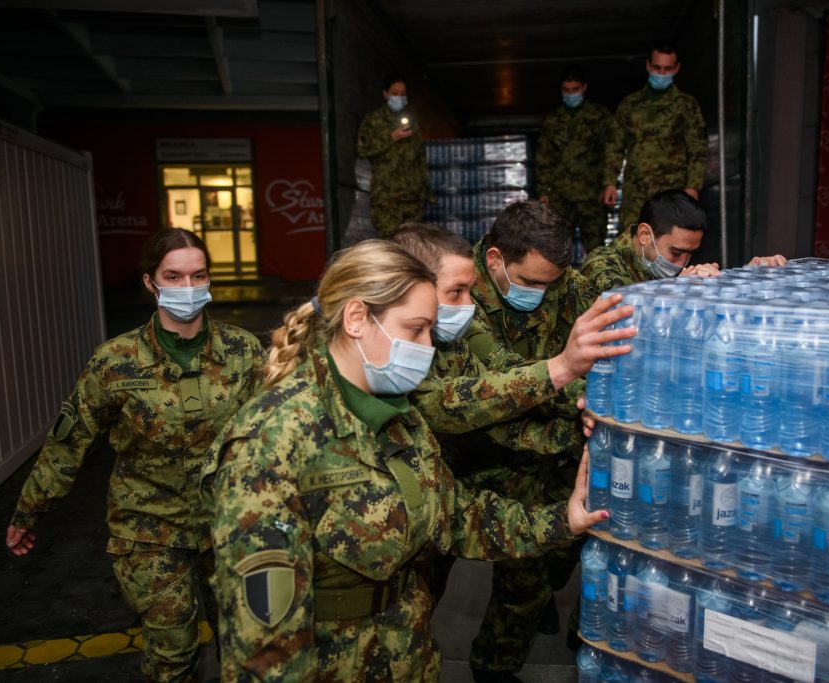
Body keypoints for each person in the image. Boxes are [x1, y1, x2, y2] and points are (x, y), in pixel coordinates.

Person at [204, 240, 608, 682]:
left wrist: (562, 520)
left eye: (429, 331)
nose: (427, 347)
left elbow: (456, 517)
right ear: (356, 319)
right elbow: (265, 653)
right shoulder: (271, 442)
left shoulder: (397, 416)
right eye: (416, 330)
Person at [6, 228, 265, 682]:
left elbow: (275, 434)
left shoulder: (244, 351)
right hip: (149, 528)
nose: (188, 287)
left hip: (229, 521)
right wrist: (29, 511)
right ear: (150, 282)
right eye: (174, 276)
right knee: (173, 654)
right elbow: (69, 442)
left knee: (247, 645)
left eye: (198, 275)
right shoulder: (115, 361)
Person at [391, 223, 633, 606]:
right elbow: (443, 404)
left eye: (469, 291)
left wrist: (579, 421)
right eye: (456, 292)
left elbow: (496, 409)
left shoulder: (446, 338)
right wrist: (561, 368)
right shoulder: (312, 408)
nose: (469, 305)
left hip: (445, 493)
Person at [466, 201, 595, 682]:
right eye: (531, 282)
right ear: (496, 259)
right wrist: (578, 398)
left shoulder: (558, 279)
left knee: (556, 555)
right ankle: (492, 668)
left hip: (547, 442)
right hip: (480, 449)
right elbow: (499, 374)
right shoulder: (458, 292)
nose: (541, 294)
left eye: (550, 283)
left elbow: (611, 307)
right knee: (520, 580)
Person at [581, 189, 788, 295]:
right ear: (644, 234)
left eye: (690, 254)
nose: (682, 263)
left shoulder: (664, 260)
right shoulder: (600, 266)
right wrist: (677, 289)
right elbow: (626, 313)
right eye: (676, 253)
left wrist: (747, 277)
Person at [600, 44, 708, 232]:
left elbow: (697, 149)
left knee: (671, 241)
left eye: (667, 69)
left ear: (676, 69)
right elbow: (614, 146)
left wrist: (693, 187)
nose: (662, 73)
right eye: (657, 68)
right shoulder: (630, 105)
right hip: (636, 193)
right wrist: (609, 182)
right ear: (648, 66)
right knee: (633, 240)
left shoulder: (686, 105)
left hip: (672, 193)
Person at [536, 66, 613, 253]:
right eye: (567, 90)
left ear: (584, 87)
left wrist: (608, 183)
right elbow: (544, 158)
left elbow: (611, 151)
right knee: (557, 246)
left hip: (592, 194)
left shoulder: (599, 116)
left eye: (575, 89)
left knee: (595, 247)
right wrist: (543, 192)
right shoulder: (552, 121)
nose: (571, 94)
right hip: (561, 195)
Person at [356, 74, 432, 238]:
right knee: (391, 243)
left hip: (411, 199)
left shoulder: (412, 123)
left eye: (403, 93)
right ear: (386, 94)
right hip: (387, 198)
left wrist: (426, 192)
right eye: (395, 93)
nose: (399, 97)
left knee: (413, 243)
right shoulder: (374, 121)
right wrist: (391, 137)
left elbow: (420, 160)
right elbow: (362, 150)